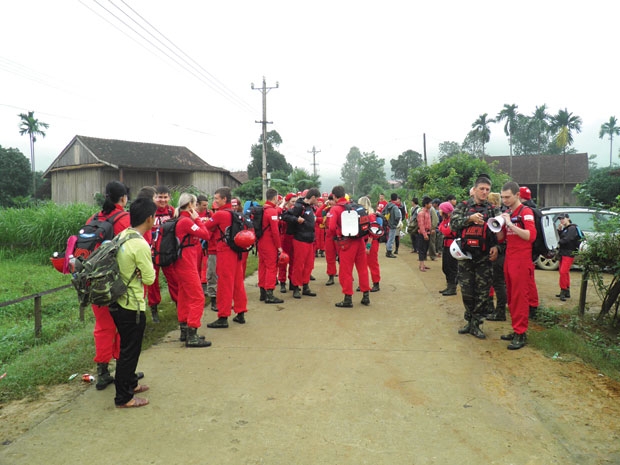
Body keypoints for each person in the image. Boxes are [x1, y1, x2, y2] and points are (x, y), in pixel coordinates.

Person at [110, 196, 157, 408]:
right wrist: (142, 272)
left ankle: (131, 383)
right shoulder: (140, 244)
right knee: (129, 351)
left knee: (128, 347)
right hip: (132, 305)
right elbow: (149, 279)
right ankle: (124, 397)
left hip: (117, 300)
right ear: (149, 218)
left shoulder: (123, 235)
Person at [89, 181, 130, 391]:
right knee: (123, 324)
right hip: (116, 282)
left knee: (103, 326)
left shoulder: (94, 218)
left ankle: (103, 372)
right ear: (123, 198)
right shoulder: (124, 220)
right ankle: (123, 369)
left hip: (94, 281)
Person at [450, 175, 501, 339]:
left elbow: (501, 233)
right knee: (466, 291)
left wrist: (497, 247)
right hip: (465, 257)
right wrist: (469, 219)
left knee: (482, 293)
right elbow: (453, 224)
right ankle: (469, 320)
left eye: (487, 189)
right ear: (475, 190)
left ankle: (476, 324)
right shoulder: (463, 206)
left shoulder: (493, 209)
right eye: (482, 189)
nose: (485, 192)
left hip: (484, 258)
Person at [495, 182, 536, 350]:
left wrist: (511, 224)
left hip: (521, 259)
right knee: (511, 297)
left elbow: (530, 236)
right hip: (509, 258)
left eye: (507, 197)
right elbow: (500, 239)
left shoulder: (526, 212)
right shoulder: (507, 212)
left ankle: (521, 333)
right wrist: (498, 226)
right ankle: (516, 329)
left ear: (517, 195)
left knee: (520, 297)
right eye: (502, 197)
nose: (504, 200)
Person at [173, 193, 212, 347]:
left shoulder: (180, 220)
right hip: (186, 263)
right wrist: (197, 219)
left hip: (182, 262)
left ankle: (184, 329)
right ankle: (192, 334)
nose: (196, 207)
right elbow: (205, 234)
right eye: (195, 204)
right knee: (198, 297)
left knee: (183, 295)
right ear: (190, 205)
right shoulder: (186, 222)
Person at [206, 187, 249, 328]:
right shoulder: (236, 213)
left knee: (224, 284)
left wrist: (196, 218)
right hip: (236, 251)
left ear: (224, 199)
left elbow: (207, 226)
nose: (214, 201)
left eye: (217, 198)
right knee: (238, 283)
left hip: (225, 251)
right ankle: (240, 312)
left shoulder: (220, 214)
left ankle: (223, 316)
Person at [328, 186, 371, 308]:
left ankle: (348, 298)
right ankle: (366, 296)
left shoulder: (335, 209)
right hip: (360, 240)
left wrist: (335, 235)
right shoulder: (354, 206)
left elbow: (331, 228)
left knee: (345, 271)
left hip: (346, 243)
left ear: (335, 196)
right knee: (362, 268)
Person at [147, 185, 178, 324]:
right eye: (159, 197)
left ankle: (179, 306)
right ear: (154, 197)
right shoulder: (148, 211)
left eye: (165, 197)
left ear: (169, 198)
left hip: (167, 252)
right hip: (151, 252)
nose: (162, 200)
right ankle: (154, 309)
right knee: (152, 282)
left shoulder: (172, 211)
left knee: (174, 279)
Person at [282, 188, 320, 299]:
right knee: (299, 265)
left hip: (309, 240)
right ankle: (296, 287)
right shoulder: (299, 206)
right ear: (312, 197)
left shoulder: (310, 207)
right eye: (317, 199)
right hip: (300, 239)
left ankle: (305, 286)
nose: (318, 201)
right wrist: (296, 219)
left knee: (308, 265)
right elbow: (285, 216)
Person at [257, 188, 284, 304]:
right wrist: (279, 246)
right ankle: (269, 293)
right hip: (269, 243)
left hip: (261, 242)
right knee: (271, 267)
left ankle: (262, 292)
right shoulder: (272, 212)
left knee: (262, 266)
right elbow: (275, 231)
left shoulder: (263, 209)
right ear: (274, 198)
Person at [485, 192, 508, 321]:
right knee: (498, 284)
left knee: (498, 284)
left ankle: (500, 312)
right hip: (500, 252)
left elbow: (500, 238)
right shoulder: (502, 214)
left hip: (499, 254)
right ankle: (498, 311)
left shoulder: (498, 216)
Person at [519, 186, 540, 317]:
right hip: (534, 250)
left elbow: (530, 234)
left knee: (527, 281)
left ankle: (531, 306)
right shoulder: (536, 210)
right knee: (530, 279)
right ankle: (532, 304)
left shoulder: (526, 211)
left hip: (527, 250)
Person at [556, 213, 581, 301]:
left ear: (568, 219)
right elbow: (563, 238)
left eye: (563, 218)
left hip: (569, 253)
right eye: (560, 219)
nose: (561, 220)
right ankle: (566, 291)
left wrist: (557, 243)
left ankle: (563, 290)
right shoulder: (566, 229)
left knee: (563, 272)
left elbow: (567, 239)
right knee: (564, 272)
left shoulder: (572, 228)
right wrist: (559, 231)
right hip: (563, 252)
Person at [358, 196, 381, 292]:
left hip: (371, 242)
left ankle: (376, 283)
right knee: (363, 264)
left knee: (372, 263)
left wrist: (368, 246)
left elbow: (373, 232)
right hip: (365, 241)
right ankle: (364, 283)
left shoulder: (371, 216)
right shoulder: (366, 214)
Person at [437, 201, 457, 295]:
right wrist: (442, 228)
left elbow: (447, 231)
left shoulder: (452, 220)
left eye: (441, 209)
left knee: (451, 267)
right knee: (445, 267)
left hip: (452, 246)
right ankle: (449, 286)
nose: (439, 211)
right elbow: (441, 227)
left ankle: (452, 287)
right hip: (446, 245)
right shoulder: (445, 219)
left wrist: (442, 229)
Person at [277, 193, 297, 293]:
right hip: (284, 237)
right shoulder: (282, 211)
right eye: (293, 201)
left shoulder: (296, 211)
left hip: (294, 237)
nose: (294, 204)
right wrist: (283, 204)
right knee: (283, 260)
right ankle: (282, 282)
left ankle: (292, 281)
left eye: (296, 202)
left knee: (293, 261)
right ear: (288, 201)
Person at [323, 195, 339, 286]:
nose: (330, 202)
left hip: (338, 236)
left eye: (332, 200)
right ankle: (331, 276)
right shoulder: (326, 210)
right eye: (329, 200)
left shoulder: (340, 210)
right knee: (329, 257)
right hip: (329, 236)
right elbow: (318, 215)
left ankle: (346, 275)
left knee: (342, 257)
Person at [416, 197, 433, 272]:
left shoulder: (428, 212)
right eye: (430, 203)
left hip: (428, 232)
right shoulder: (421, 213)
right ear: (426, 204)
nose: (431, 204)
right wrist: (424, 234)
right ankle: (421, 265)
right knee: (422, 249)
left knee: (425, 249)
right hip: (423, 233)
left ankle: (422, 264)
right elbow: (421, 225)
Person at [384, 193, 402, 258]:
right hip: (393, 225)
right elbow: (398, 216)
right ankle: (389, 252)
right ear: (396, 199)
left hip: (387, 224)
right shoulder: (395, 207)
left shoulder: (387, 205)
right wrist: (396, 223)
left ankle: (387, 251)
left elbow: (382, 213)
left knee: (389, 238)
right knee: (391, 239)